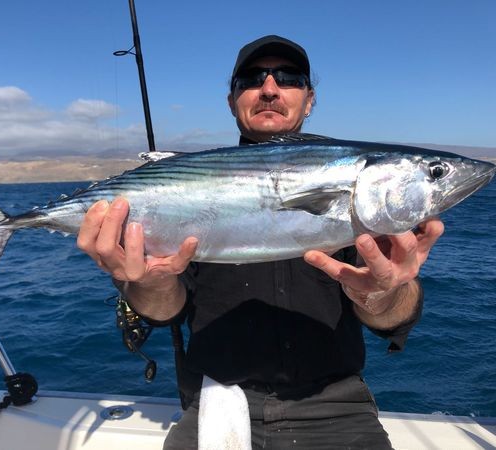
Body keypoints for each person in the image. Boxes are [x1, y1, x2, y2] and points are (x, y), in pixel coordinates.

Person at [77, 35, 444, 449]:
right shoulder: (186, 189)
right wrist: (152, 282)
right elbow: (164, 312)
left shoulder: (362, 193)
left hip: (337, 407)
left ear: (309, 100)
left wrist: (383, 292)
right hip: (216, 402)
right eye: (251, 79)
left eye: (288, 78)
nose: (269, 88)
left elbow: (395, 318)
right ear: (232, 101)